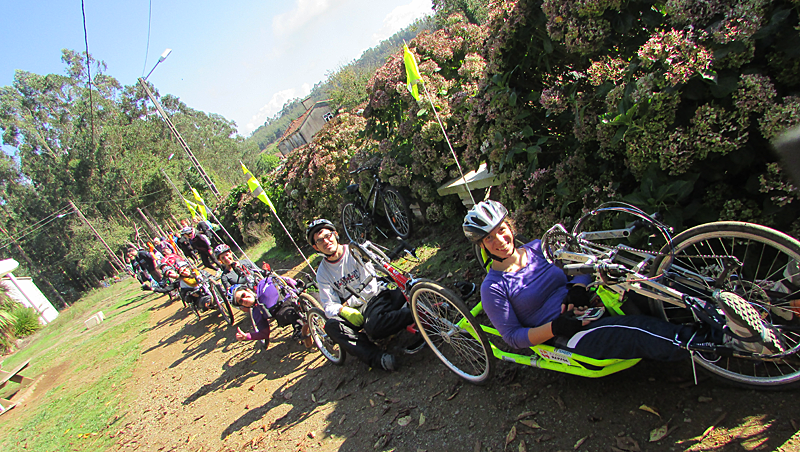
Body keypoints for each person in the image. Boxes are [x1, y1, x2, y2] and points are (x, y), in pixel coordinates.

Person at [463, 200, 785, 359]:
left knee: (651, 288)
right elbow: (513, 338)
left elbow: (580, 264)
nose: (499, 240)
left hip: (592, 300)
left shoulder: (539, 248)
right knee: (634, 332)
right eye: (489, 238)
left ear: (510, 227)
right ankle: (728, 343)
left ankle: (739, 313)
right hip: (568, 334)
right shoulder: (493, 288)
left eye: (501, 230)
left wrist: (577, 288)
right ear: (482, 246)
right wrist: (557, 327)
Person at [306, 219, 423, 372]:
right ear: (316, 247)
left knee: (374, 327)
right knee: (331, 326)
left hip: (373, 298)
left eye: (328, 236)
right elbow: (328, 305)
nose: (326, 242)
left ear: (335, 234)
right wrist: (342, 310)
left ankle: (418, 312)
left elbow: (371, 286)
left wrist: (348, 304)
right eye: (320, 240)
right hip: (352, 311)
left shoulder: (355, 251)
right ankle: (378, 358)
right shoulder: (322, 272)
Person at [229, 280, 313, 349]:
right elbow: (264, 333)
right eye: (241, 301)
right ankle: (303, 333)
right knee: (291, 313)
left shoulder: (262, 284)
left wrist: (296, 284)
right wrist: (247, 336)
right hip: (282, 311)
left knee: (314, 297)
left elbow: (282, 279)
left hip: (292, 296)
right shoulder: (256, 312)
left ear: (247, 290)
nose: (244, 299)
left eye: (243, 295)